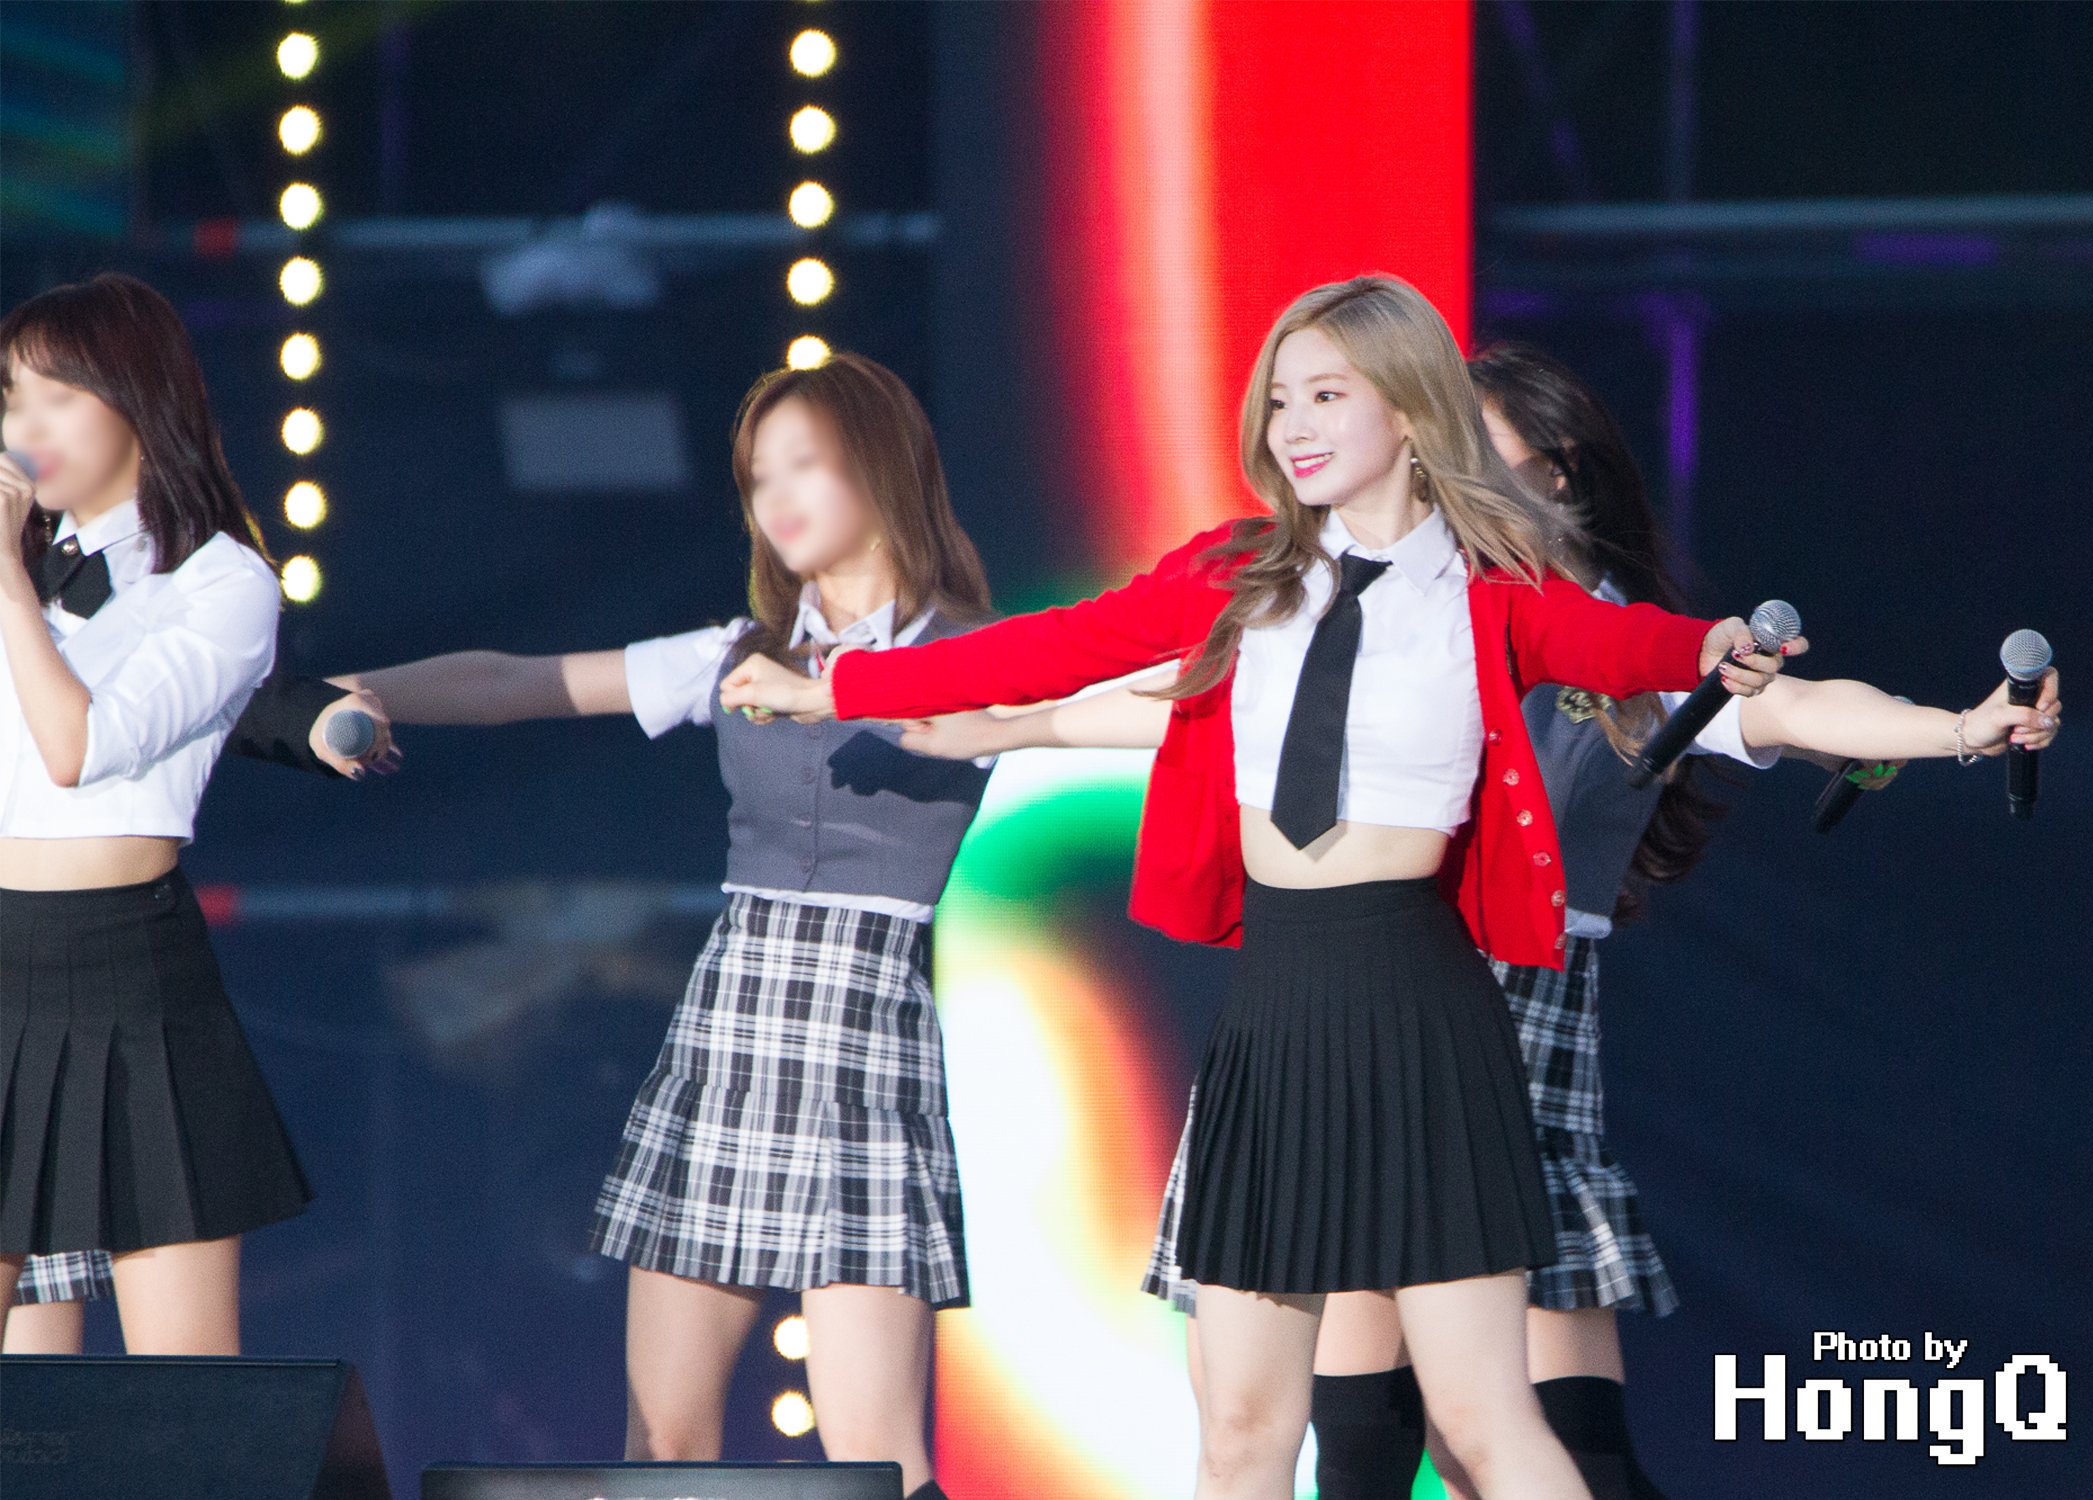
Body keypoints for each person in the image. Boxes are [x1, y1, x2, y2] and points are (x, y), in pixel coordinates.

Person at [892, 340, 2062, 1500]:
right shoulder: (1401, 599)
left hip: (1506, 1031)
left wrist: (1959, 730)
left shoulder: (1598, 634)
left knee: (1533, 1438)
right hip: (1352, 1012)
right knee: (1360, 1439)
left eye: (1474, 451)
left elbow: (1796, 707)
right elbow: (1208, 706)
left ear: (1558, 474)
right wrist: (1012, 726)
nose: (1440, 473)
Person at [719, 273, 1805, 1499]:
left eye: (1327, 395)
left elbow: (1626, 645)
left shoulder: (1489, 591)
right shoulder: (1245, 575)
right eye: (1280, 399)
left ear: (1411, 408)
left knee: (1484, 1425)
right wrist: (842, 687)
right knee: (1242, 1431)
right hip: (1273, 1025)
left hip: (1422, 1009)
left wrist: (1714, 649)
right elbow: (1058, 646)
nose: (1292, 424)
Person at [331, 352, 993, 1499]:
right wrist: (351, 691)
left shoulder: (973, 655)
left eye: (803, 464)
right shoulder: (737, 653)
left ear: (882, 466)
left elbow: (1115, 699)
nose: (775, 498)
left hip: (861, 1039)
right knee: (661, 1445)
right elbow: (516, 681)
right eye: (757, 477)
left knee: (877, 1458)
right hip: (725, 1038)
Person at [0, 272, 319, 1353]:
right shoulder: (21, 569)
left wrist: (7, 584)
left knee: (184, 1394)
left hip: (131, 970)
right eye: (11, 400)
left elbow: (80, 748)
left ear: (136, 397)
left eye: (56, 396)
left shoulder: (221, 584)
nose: (26, 427)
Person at [1, 661, 396, 1355]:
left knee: (172, 1383)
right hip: (26, 959)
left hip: (129, 969)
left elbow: (216, 682)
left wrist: (325, 716)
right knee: (34, 1367)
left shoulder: (165, 621)